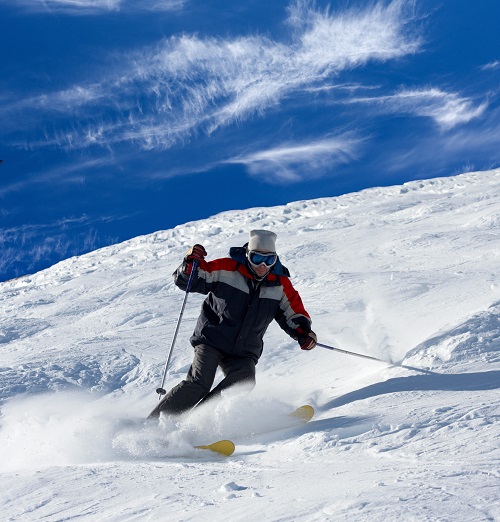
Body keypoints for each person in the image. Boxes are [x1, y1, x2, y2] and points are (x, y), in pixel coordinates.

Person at [149, 229, 316, 418]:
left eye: (269, 260)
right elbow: (190, 280)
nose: (262, 265)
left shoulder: (280, 285)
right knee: (200, 382)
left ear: (275, 260)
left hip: (244, 351)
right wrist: (190, 265)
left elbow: (293, 312)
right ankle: (152, 425)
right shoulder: (227, 269)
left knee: (244, 381)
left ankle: (198, 422)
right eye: (256, 258)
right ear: (247, 255)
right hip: (212, 340)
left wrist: (304, 332)